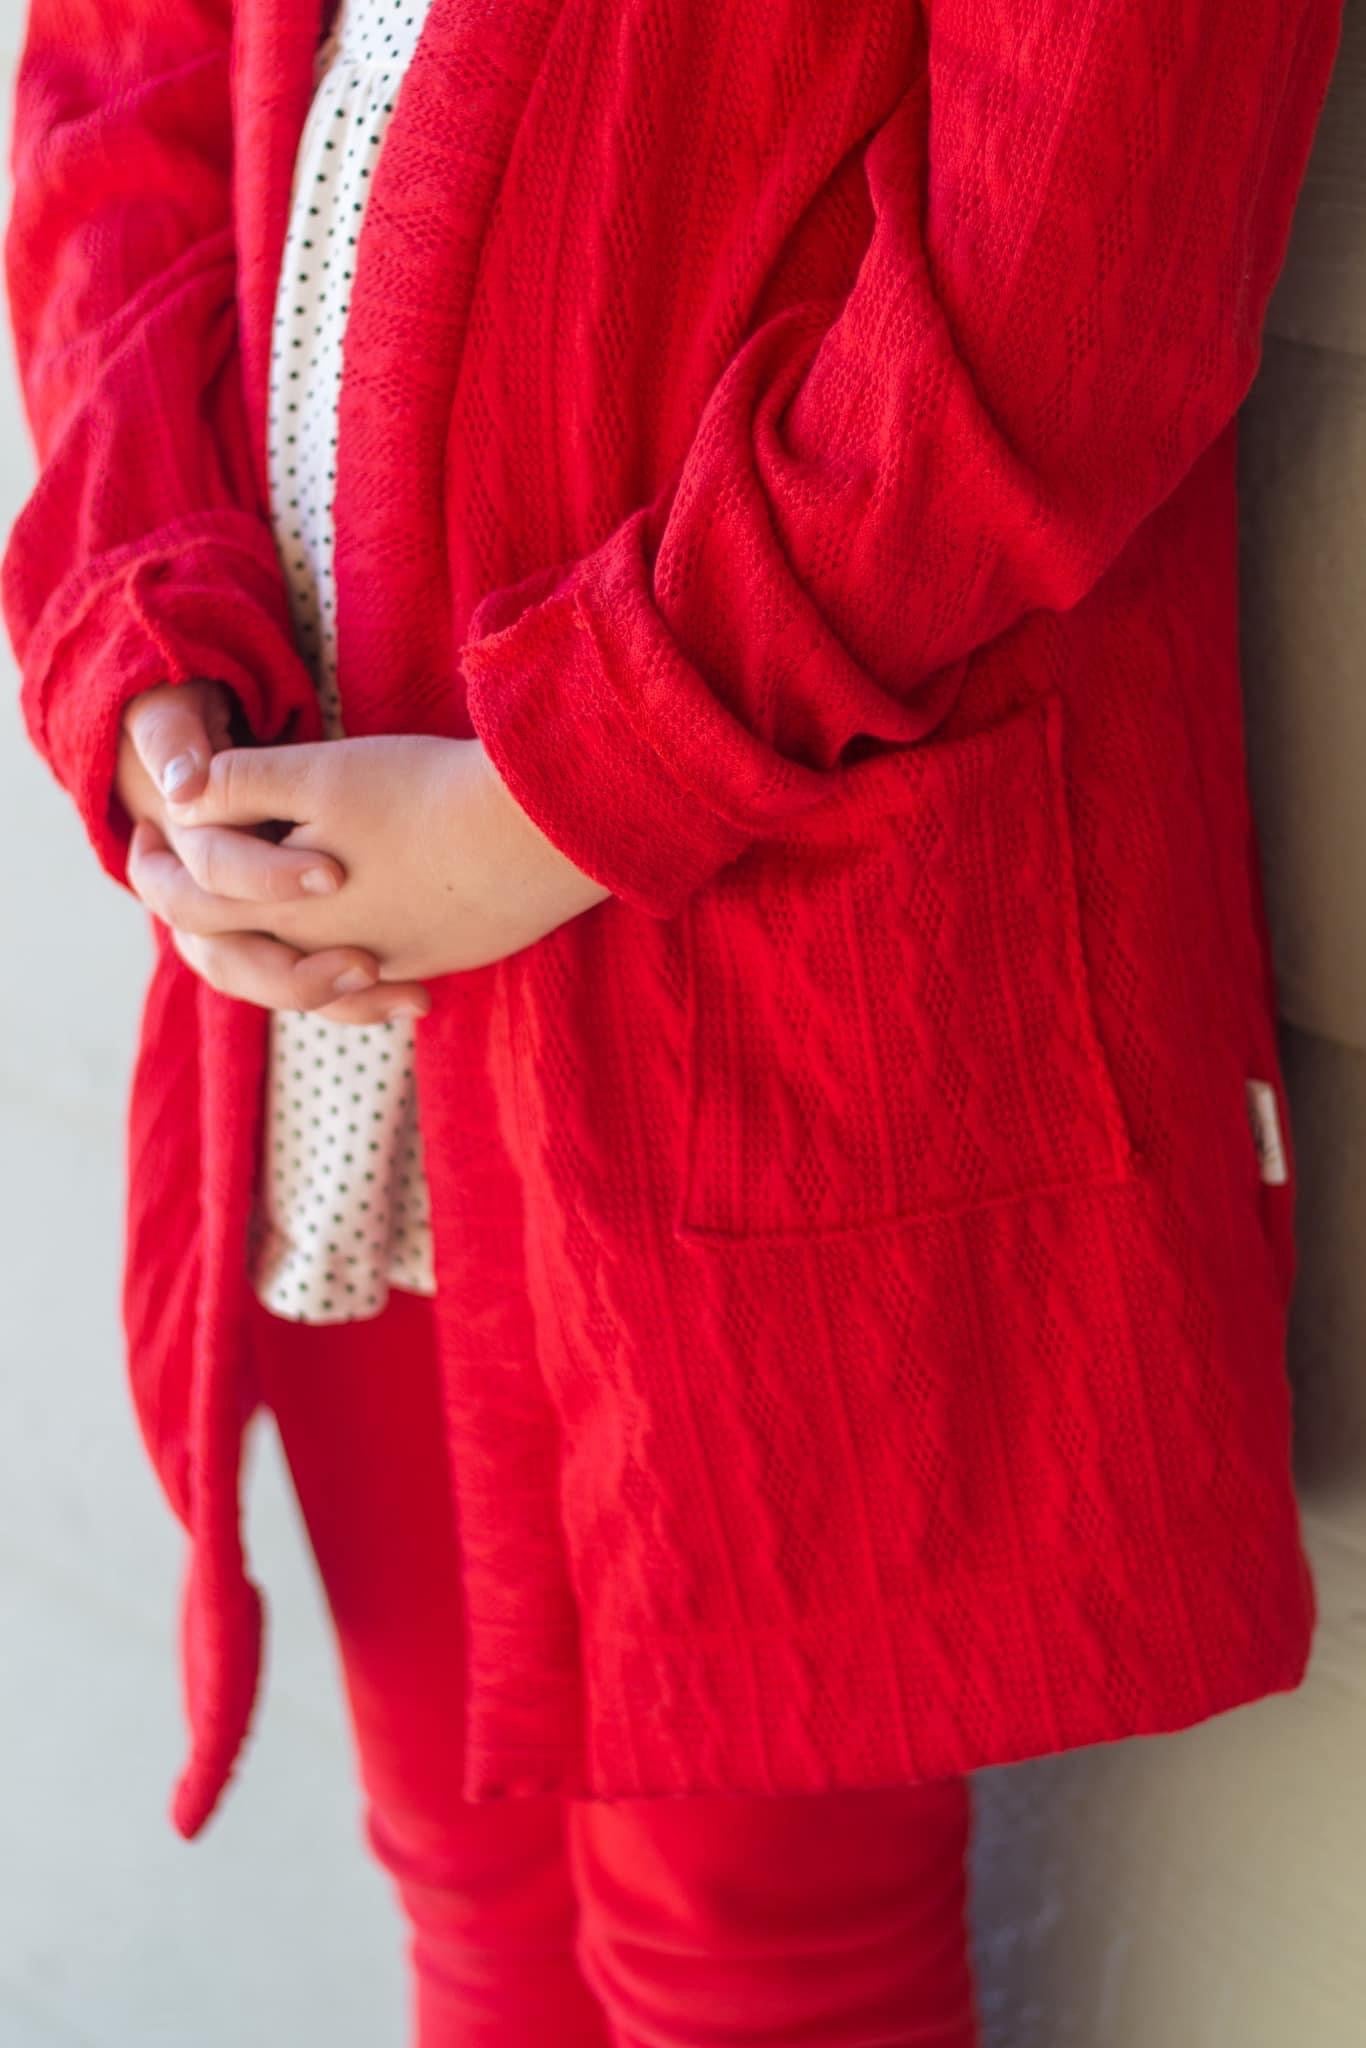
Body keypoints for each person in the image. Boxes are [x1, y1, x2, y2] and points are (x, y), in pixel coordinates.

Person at [1, 0, 1343, 2040]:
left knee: (751, 1967)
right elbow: (125, 73)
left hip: (773, 937)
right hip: (336, 941)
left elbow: (1075, 272)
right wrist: (139, 624)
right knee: (470, 1890)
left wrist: (577, 780)